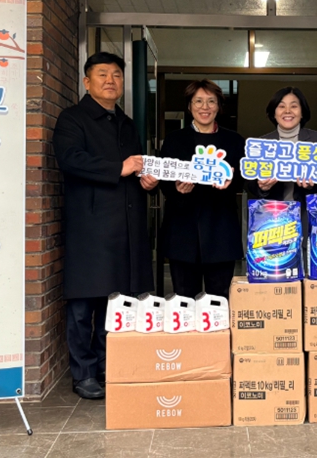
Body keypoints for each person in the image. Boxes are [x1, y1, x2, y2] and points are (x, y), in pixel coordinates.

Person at [53, 52, 157, 399]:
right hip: (91, 227)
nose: (111, 80)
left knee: (115, 301)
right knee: (84, 303)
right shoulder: (73, 118)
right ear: (87, 82)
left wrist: (146, 179)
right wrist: (118, 168)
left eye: (116, 75)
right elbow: (70, 159)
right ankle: (83, 373)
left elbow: (135, 166)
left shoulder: (126, 123)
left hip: (125, 227)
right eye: (102, 74)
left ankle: (103, 365)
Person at [159, 80, 245, 299]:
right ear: (190, 106)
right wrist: (177, 188)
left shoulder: (234, 141)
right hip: (182, 233)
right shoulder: (174, 140)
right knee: (184, 301)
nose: (204, 107)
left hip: (221, 232)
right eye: (198, 101)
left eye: (211, 101)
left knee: (219, 302)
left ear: (218, 106)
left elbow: (244, 178)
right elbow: (163, 180)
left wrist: (231, 182)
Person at [247, 87, 317, 234]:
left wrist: (312, 185)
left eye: (294, 106)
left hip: (307, 217)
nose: (287, 111)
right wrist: (263, 188)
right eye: (281, 106)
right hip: (272, 221)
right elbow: (250, 183)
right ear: (274, 112)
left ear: (302, 112)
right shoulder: (262, 143)